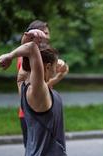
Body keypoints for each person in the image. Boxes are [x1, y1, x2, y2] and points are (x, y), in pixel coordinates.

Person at [0, 32, 67, 156]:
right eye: (54, 64)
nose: (56, 67)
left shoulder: (23, 84)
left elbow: (26, 61)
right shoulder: (39, 92)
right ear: (46, 67)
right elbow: (30, 49)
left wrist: (23, 41)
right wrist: (10, 55)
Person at [17, 20, 68, 148]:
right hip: (34, 112)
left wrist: (58, 72)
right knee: (34, 150)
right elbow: (38, 84)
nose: (48, 36)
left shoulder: (39, 57)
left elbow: (43, 85)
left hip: (38, 106)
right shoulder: (28, 61)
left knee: (31, 154)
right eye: (44, 33)